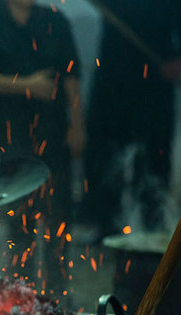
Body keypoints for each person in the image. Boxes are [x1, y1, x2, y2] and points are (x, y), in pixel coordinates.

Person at [0, 0, 85, 296]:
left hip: (53, 131)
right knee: (20, 217)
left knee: (58, 214)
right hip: (9, 133)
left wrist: (78, 124)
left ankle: (58, 290)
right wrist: (25, 85)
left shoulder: (54, 21)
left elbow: (72, 77)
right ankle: (23, 290)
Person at [80, 0, 181, 240]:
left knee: (154, 156)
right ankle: (105, 225)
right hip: (112, 78)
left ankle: (152, 228)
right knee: (104, 155)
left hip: (156, 80)